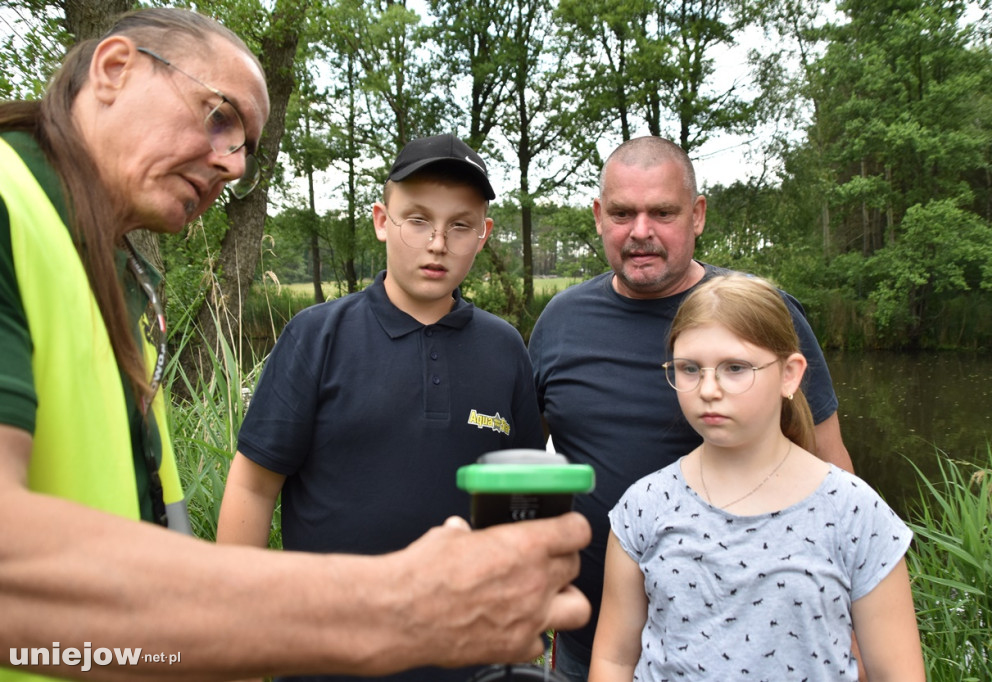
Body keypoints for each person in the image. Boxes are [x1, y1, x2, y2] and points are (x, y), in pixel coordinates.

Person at [0, 10, 589, 682]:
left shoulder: (117, 273)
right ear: (113, 69)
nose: (232, 162)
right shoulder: (8, 206)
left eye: (245, 143)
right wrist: (382, 613)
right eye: (218, 116)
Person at [216, 133, 546, 682]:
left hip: (469, 658)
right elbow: (253, 485)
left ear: (483, 235)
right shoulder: (317, 336)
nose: (437, 242)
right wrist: (239, 638)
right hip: (328, 655)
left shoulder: (505, 348)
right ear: (381, 220)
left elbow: (522, 504)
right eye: (417, 219)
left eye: (460, 225)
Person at [528, 135, 855, 680]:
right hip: (588, 645)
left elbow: (830, 466)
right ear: (598, 216)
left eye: (662, 212)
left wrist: (848, 624)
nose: (640, 232)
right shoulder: (560, 323)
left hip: (740, 645)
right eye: (622, 212)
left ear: (697, 214)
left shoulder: (759, 316)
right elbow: (526, 467)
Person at [589, 273, 925, 681]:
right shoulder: (643, 506)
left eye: (735, 368)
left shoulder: (856, 513)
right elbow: (615, 661)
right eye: (690, 368)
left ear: (790, 374)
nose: (708, 389)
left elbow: (896, 672)